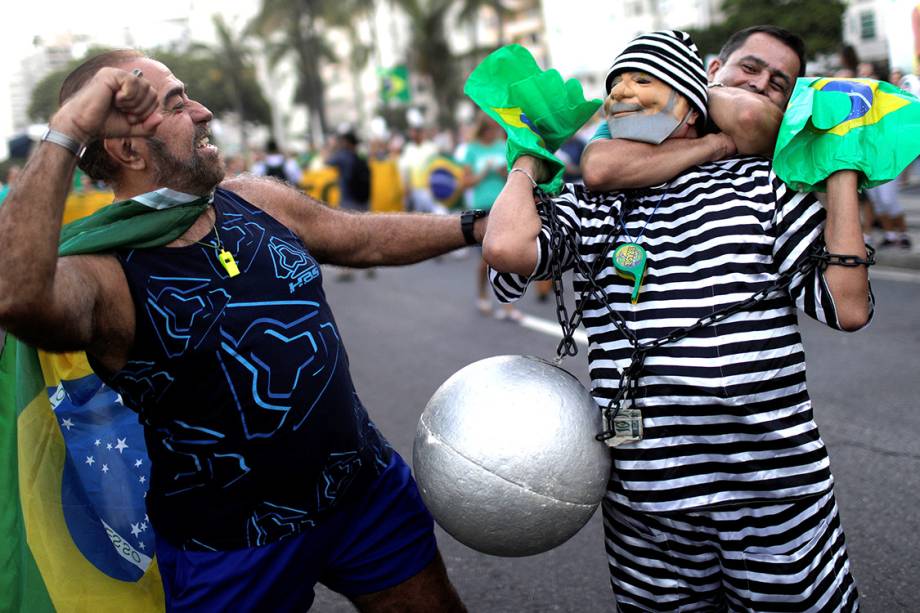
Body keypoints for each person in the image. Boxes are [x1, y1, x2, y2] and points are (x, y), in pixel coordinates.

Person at [0, 49, 477, 612]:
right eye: (177, 106)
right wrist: (69, 128)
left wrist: (474, 228)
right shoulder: (104, 274)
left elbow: (360, 237)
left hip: (363, 494)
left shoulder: (253, 199)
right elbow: (16, 294)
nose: (203, 112)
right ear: (127, 149)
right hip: (231, 545)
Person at [484, 30, 868, 610]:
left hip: (774, 501)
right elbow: (509, 250)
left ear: (690, 106)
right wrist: (528, 157)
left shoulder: (761, 186)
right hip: (648, 510)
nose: (624, 96)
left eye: (644, 81)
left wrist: (842, 167)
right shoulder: (590, 203)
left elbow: (847, 306)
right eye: (616, 85)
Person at [581, 25, 805, 192]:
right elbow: (599, 168)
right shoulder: (642, 115)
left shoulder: (794, 135)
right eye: (749, 68)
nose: (760, 83)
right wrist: (713, 143)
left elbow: (749, 115)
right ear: (714, 68)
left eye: (778, 84)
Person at [458, 113, 521, 320]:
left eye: (496, 128)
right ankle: (482, 294)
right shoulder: (472, 150)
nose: (494, 132)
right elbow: (465, 182)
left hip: (503, 205)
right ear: (483, 129)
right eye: (491, 129)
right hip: (481, 208)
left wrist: (504, 172)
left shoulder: (502, 145)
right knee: (486, 259)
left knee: (507, 256)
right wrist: (482, 173)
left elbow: (513, 175)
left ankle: (508, 305)